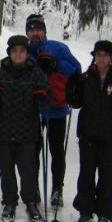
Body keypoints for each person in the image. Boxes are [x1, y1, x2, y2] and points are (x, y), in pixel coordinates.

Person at [66, 40, 112, 222]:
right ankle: (85, 211)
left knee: (106, 175)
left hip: (109, 135)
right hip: (88, 133)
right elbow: (75, 103)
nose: (101, 58)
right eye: (98, 55)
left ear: (111, 57)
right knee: (86, 174)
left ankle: (105, 213)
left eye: (105, 55)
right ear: (94, 57)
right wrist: (71, 86)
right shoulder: (86, 77)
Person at [0, 36, 49, 221]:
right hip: (4, 129)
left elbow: (47, 101)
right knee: (6, 170)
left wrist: (42, 96)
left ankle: (30, 202)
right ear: (9, 53)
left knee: (28, 170)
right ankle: (9, 202)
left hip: (27, 131)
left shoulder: (36, 74)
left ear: (27, 53)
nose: (18, 54)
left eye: (22, 51)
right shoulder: (0, 73)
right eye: (14, 51)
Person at [25, 14, 82, 208]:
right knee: (32, 152)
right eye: (31, 30)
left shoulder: (58, 48)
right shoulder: (22, 51)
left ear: (44, 31)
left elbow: (76, 69)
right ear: (27, 33)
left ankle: (57, 190)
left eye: (38, 29)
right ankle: (33, 190)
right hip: (32, 109)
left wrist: (56, 65)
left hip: (56, 108)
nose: (35, 33)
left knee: (56, 151)